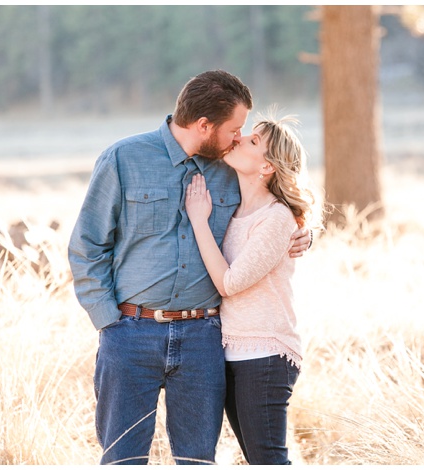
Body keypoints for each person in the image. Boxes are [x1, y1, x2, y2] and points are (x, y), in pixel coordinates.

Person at [67, 70, 312, 465]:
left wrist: (303, 234)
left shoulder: (230, 169)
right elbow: (87, 245)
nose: (238, 137)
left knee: (198, 461)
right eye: (234, 128)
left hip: (204, 338)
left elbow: (274, 204)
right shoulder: (124, 159)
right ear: (203, 125)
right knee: (122, 459)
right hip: (131, 334)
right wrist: (108, 322)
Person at [185, 112, 322, 465]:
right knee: (256, 458)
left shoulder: (275, 217)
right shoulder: (236, 205)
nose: (241, 138)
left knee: (268, 459)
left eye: (254, 141)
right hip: (233, 351)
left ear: (267, 168)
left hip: (265, 353)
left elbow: (229, 283)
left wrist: (199, 220)